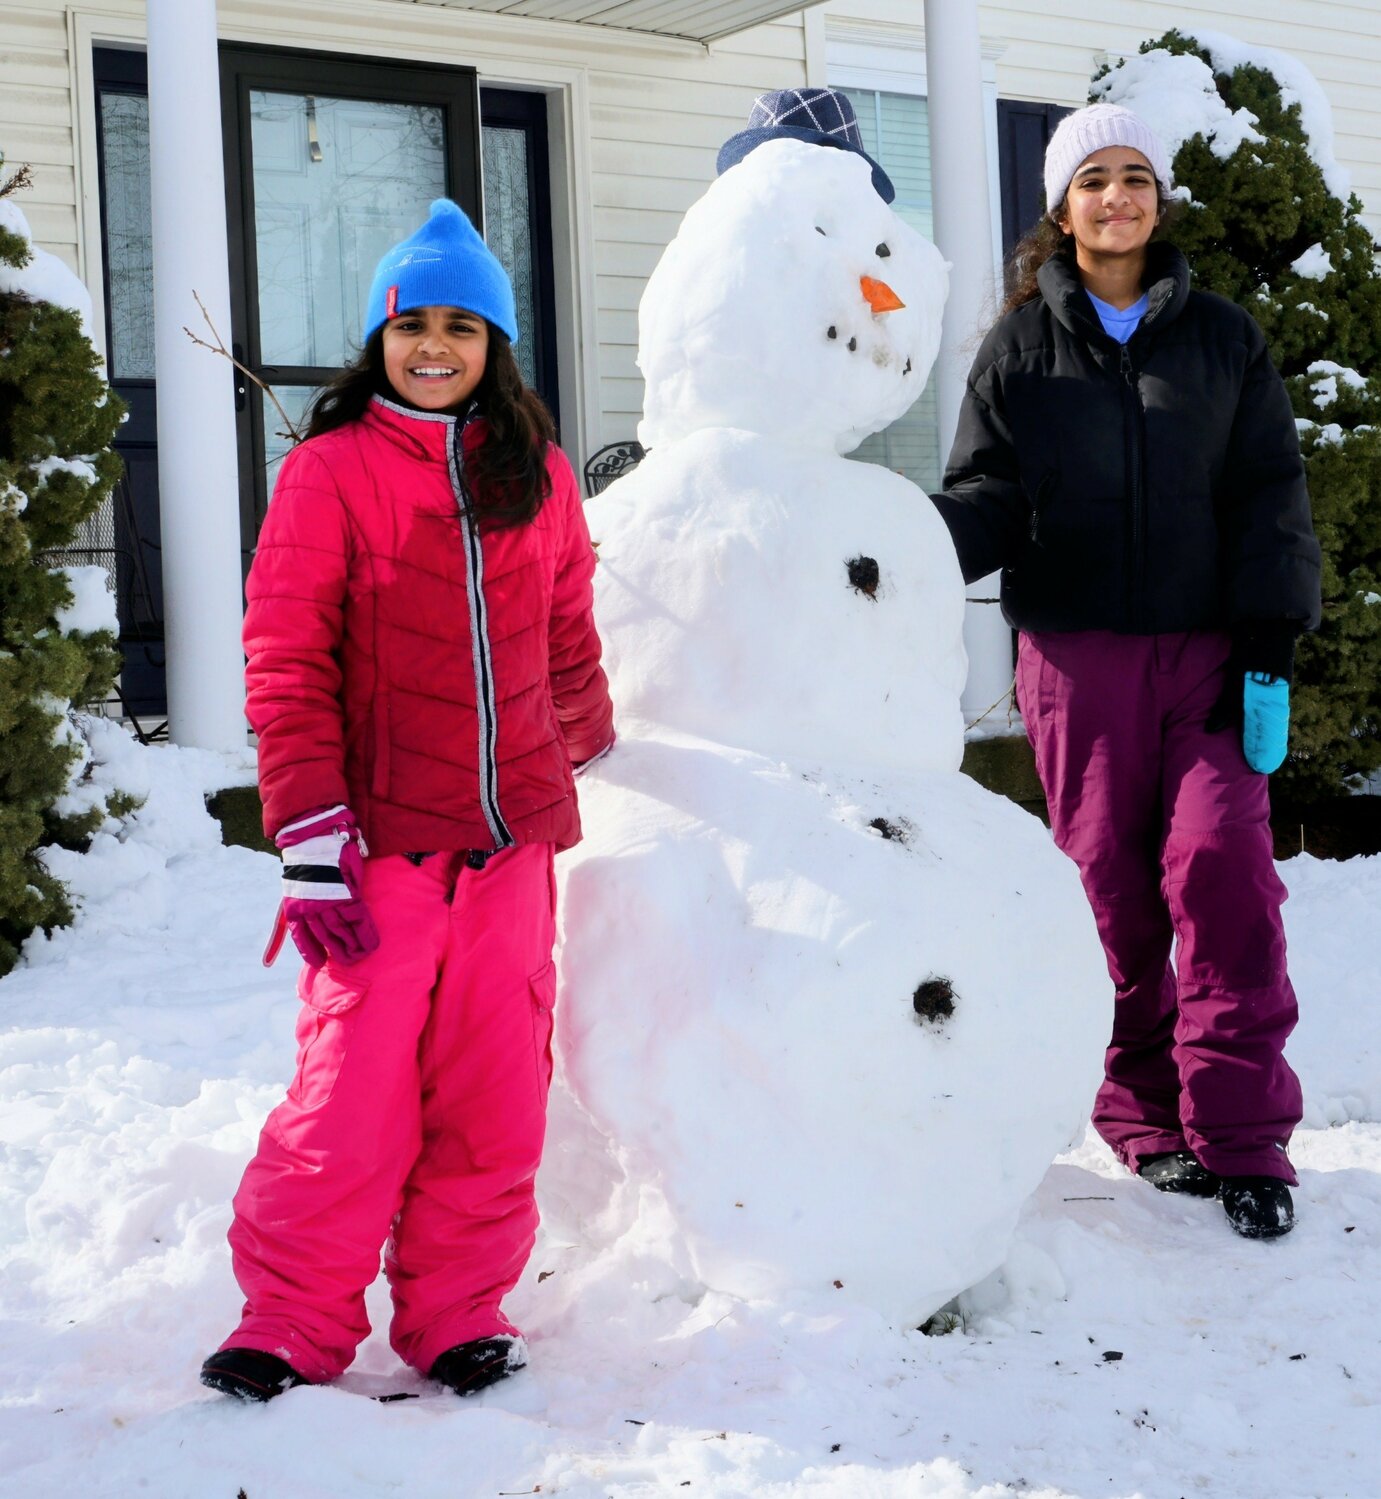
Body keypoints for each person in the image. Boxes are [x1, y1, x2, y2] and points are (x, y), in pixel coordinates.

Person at [200, 200, 614, 1401]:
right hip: (379, 841)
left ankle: (457, 1311)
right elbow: (285, 658)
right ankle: (289, 1315)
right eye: (413, 324)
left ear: (495, 344)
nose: (436, 346)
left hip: (511, 846)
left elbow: (566, 633)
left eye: (462, 327)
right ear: (379, 336)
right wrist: (310, 827)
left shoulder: (532, 472)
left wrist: (592, 748)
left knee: (493, 1092)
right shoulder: (328, 472)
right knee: (351, 1090)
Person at [929, 104, 1320, 1241]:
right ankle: (1146, 1118)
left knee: (1223, 864)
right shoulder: (1018, 349)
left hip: (1207, 654)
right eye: (1092, 178)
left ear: (1158, 198)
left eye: (1134, 175)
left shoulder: (1222, 339)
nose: (1115, 196)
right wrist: (909, 548)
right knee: (1108, 890)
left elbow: (1267, 491)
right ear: (1062, 206)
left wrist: (1269, 638)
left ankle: (1243, 1131)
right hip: (1077, 662)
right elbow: (989, 495)